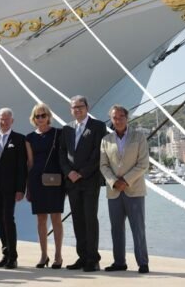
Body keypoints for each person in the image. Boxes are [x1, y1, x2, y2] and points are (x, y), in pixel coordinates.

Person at [58, 95, 107, 272]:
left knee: (90, 219)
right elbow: (62, 154)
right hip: (72, 182)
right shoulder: (67, 129)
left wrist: (82, 172)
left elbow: (98, 153)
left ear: (87, 107)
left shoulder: (98, 126)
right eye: (74, 107)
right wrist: (68, 172)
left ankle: (93, 259)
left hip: (89, 180)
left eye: (80, 106)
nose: (77, 110)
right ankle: (82, 256)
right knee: (77, 220)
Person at [100, 105, 150, 274]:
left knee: (138, 228)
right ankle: (119, 262)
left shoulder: (139, 137)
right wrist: (114, 182)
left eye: (121, 117)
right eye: (115, 117)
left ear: (127, 118)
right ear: (111, 120)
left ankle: (143, 262)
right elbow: (103, 165)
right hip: (114, 191)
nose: (118, 120)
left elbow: (143, 164)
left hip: (134, 189)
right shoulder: (106, 140)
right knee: (116, 229)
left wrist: (126, 181)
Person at [0, 107, 27, 269]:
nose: (4, 121)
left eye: (7, 119)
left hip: (11, 187)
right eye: (1, 119)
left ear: (12, 121)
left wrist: (21, 188)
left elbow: (22, 166)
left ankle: (13, 257)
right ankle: (5, 254)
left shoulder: (19, 139)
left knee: (8, 219)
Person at [25, 103, 65, 269]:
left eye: (43, 115)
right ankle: (43, 255)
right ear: (33, 119)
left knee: (56, 217)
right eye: (37, 116)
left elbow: (63, 157)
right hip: (37, 180)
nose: (40, 118)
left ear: (48, 116)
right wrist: (28, 187)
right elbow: (30, 163)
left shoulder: (58, 134)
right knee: (41, 219)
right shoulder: (29, 138)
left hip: (55, 180)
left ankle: (58, 255)